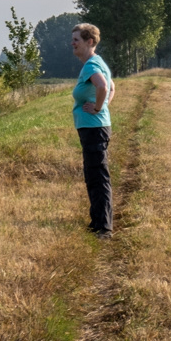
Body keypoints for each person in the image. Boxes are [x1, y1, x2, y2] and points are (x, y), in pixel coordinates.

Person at [71, 23, 115, 238]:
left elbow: (104, 87)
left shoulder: (91, 65)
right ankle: (97, 221)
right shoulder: (97, 62)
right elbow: (112, 87)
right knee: (95, 175)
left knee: (97, 176)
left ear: (89, 42)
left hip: (94, 127)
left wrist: (98, 107)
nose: (73, 44)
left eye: (77, 40)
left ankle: (104, 228)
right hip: (96, 126)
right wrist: (104, 106)